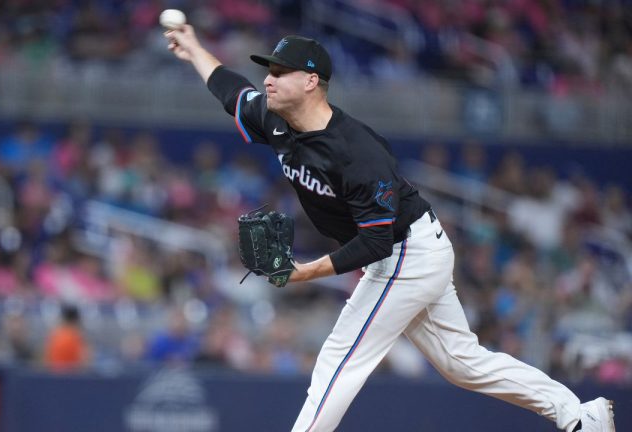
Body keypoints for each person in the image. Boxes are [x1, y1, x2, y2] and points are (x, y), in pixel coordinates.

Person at [163, 25, 616, 432]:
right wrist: (195, 49)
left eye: (279, 72)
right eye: (269, 70)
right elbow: (230, 91)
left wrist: (304, 272)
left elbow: (376, 242)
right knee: (462, 363)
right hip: (412, 249)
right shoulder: (274, 118)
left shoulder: (356, 152)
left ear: (310, 81)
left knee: (339, 358)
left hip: (405, 252)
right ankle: (579, 415)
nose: (268, 79)